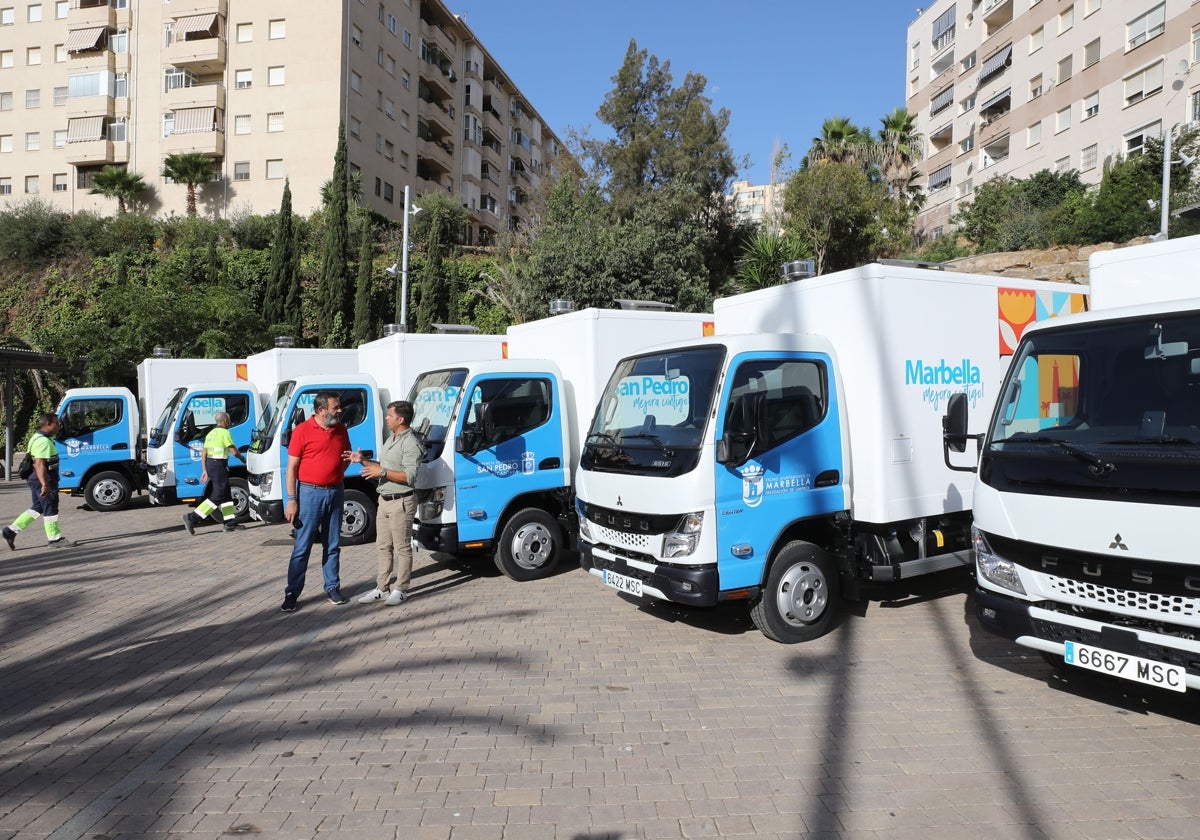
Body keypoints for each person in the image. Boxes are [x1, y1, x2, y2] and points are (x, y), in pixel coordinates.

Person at [281, 392, 352, 612]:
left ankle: (332, 588)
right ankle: (292, 593)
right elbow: (291, 469)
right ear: (321, 411)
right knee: (302, 547)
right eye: (335, 407)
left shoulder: (340, 429)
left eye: (339, 407)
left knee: (332, 545)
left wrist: (335, 476)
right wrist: (291, 500)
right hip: (310, 494)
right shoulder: (302, 431)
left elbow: (345, 458)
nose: (339, 411)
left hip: (336, 492)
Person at [354, 400, 424, 606]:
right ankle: (382, 588)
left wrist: (382, 472)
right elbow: (382, 468)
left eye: (390, 415)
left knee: (402, 547)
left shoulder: (411, 443)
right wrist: (363, 461)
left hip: (401, 501)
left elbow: (409, 476)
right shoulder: (391, 439)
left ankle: (401, 589)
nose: (386, 418)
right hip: (384, 501)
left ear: (400, 419)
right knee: (383, 546)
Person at [3, 413, 75, 550]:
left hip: (36, 478)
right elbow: (39, 464)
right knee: (50, 507)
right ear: (48, 424)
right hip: (43, 478)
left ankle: (11, 531)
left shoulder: (39, 437)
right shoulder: (43, 441)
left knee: (38, 507)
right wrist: (45, 484)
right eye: (57, 424)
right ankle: (54, 539)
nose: (59, 426)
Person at [182, 411, 246, 535]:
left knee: (226, 495)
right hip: (219, 465)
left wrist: (205, 470)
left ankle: (230, 523)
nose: (229, 423)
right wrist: (242, 459)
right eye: (228, 420)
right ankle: (192, 517)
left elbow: (204, 454)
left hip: (211, 465)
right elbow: (233, 451)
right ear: (225, 421)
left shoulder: (210, 433)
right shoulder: (225, 432)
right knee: (218, 495)